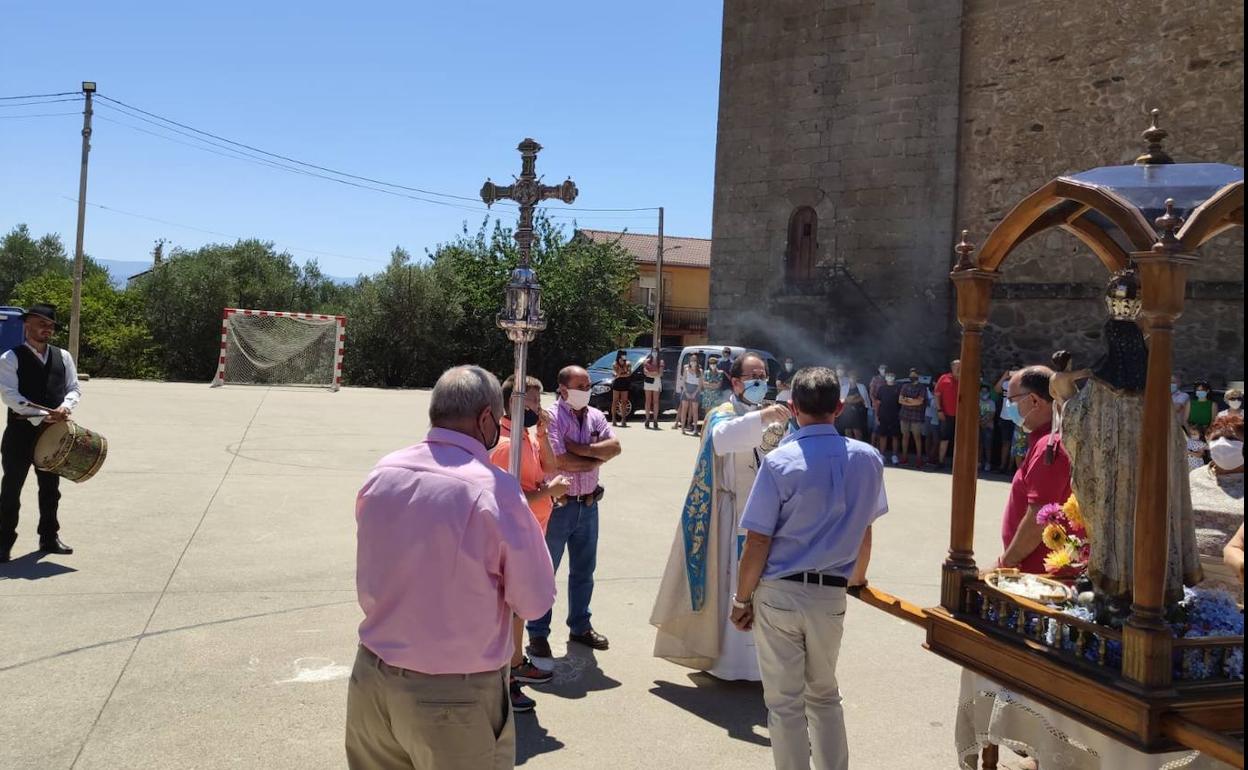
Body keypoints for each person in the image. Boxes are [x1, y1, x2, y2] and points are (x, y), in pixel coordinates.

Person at [346, 366, 555, 770]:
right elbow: (534, 600)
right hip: (451, 696)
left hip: (372, 679)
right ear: (484, 419)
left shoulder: (383, 472)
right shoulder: (494, 490)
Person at [731, 366, 887, 770]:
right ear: (839, 407)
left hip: (781, 591)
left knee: (784, 702)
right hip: (831, 592)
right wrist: (856, 581)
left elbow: (758, 540)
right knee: (824, 694)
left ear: (794, 408)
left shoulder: (781, 462)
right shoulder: (868, 459)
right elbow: (865, 531)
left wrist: (741, 597)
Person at [1053, 269, 1202, 605]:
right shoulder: (1157, 382)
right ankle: (1155, 585)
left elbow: (1076, 426)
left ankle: (1116, 588)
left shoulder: (1101, 386)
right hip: (1152, 480)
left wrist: (1064, 399)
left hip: (1115, 482)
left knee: (1118, 521)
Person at [652, 352, 792, 681]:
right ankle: (729, 663)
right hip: (730, 515)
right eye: (753, 376)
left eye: (764, 376)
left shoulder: (769, 415)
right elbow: (722, 439)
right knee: (731, 582)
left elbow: (775, 452)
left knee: (762, 587)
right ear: (736, 381)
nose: (761, 382)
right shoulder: (722, 413)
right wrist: (764, 417)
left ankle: (760, 667)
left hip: (764, 514)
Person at [526, 366, 622, 659]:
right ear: (563, 389)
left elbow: (615, 447)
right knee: (546, 571)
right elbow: (558, 462)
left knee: (584, 571)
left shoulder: (595, 415)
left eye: (588, 384)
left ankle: (580, 626)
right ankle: (538, 632)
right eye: (581, 385)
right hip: (560, 506)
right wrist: (594, 457)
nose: (587, 389)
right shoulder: (551, 416)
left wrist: (579, 448)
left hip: (589, 506)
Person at [489, 375, 570, 712]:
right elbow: (508, 497)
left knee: (519, 608)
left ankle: (517, 662)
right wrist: (548, 493)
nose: (539, 407)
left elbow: (550, 466)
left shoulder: (527, 437)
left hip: (535, 529)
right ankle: (504, 680)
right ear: (513, 403)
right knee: (508, 609)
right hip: (515, 535)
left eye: (540, 400)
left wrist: (542, 433)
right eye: (532, 402)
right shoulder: (508, 444)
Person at [0, 303, 80, 562]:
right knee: (11, 490)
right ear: (27, 325)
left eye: (50, 326)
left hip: (53, 435)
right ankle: (3, 542)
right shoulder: (10, 358)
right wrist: (46, 414)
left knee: (50, 489)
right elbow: (11, 396)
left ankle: (49, 537)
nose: (46, 329)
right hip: (20, 435)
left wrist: (65, 407)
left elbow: (73, 389)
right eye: (40, 324)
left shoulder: (63, 356)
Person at [994, 366, 1072, 574]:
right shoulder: (1042, 440)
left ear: (1035, 401)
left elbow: (1039, 517)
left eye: (1012, 400)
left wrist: (1004, 564)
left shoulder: (1050, 446)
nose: (1008, 406)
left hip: (1038, 577)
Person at [1190, 413, 1243, 599]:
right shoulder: (1193, 477)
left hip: (1237, 583)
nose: (1222, 443)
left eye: (1231, 438)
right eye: (1216, 437)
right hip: (1193, 584)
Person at [933, 359, 961, 468]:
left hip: (961, 416)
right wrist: (939, 410)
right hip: (946, 414)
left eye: (960, 366)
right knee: (944, 438)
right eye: (956, 366)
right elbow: (937, 395)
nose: (958, 368)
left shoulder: (965, 379)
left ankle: (957, 464)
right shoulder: (944, 378)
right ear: (952, 367)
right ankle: (940, 462)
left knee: (959, 441)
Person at [897, 368, 927, 467]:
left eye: (914, 375)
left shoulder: (922, 387)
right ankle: (904, 457)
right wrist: (912, 401)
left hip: (916, 415)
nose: (912, 376)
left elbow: (920, 401)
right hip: (904, 414)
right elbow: (900, 400)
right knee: (905, 436)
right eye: (911, 375)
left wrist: (908, 400)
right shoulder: (905, 386)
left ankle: (919, 458)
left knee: (917, 437)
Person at [873, 370, 902, 465]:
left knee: (895, 436)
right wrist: (877, 416)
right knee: (882, 436)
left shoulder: (898, 388)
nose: (890, 377)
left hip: (895, 416)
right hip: (883, 415)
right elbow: (878, 403)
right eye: (888, 375)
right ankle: (882, 455)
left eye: (892, 375)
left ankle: (894, 456)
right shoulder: (882, 388)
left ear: (895, 376)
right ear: (885, 377)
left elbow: (901, 403)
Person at [994, 368, 1020, 474]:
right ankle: (1002, 466)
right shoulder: (1005, 383)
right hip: (1004, 417)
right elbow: (996, 390)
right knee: (1005, 442)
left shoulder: (1021, 384)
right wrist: (1004, 376)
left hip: (1016, 418)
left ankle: (1010, 468)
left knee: (1016, 444)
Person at [834, 369, 868, 440]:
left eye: (854, 377)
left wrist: (850, 399)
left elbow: (862, 399)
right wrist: (854, 397)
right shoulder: (844, 387)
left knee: (857, 431)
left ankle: (859, 447)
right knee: (847, 431)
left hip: (858, 413)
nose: (852, 379)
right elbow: (842, 400)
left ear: (857, 378)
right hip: (846, 413)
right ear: (848, 378)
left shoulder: (862, 387)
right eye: (850, 377)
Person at [677, 353, 703, 434]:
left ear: (697, 361)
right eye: (692, 360)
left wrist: (695, 393)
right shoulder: (686, 369)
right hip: (687, 389)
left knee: (695, 410)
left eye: (695, 360)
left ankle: (695, 428)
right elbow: (683, 382)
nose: (693, 362)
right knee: (684, 409)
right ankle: (683, 428)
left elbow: (700, 384)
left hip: (695, 390)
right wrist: (686, 392)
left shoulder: (700, 371)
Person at [642, 349, 664, 429]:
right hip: (648, 382)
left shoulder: (660, 362)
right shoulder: (646, 361)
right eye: (653, 351)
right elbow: (645, 372)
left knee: (655, 401)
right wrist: (654, 373)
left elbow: (660, 374)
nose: (654, 353)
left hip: (656, 382)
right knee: (648, 401)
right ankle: (647, 419)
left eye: (656, 352)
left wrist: (651, 374)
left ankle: (655, 420)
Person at [610, 350, 632, 427]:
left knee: (624, 402)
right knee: (615, 401)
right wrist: (621, 372)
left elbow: (629, 374)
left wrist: (621, 372)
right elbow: (615, 374)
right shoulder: (615, 363)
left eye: (625, 355)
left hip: (625, 383)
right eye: (622, 355)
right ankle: (614, 419)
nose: (624, 357)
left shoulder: (628, 363)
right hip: (617, 383)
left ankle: (623, 419)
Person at [978, 384, 996, 473]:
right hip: (978, 426)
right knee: (979, 445)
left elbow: (992, 415)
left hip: (988, 427)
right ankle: (979, 462)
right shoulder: (977, 401)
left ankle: (988, 463)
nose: (984, 393)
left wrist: (984, 422)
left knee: (988, 446)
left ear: (989, 393)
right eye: (982, 391)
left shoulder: (991, 403)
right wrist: (979, 422)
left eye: (986, 391)